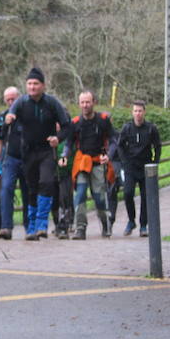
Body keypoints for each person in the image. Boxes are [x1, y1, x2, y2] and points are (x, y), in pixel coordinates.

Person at [4, 67, 71, 240]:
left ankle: (42, 224)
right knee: (32, 188)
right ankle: (32, 228)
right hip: (28, 151)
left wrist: (58, 138)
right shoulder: (21, 102)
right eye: (29, 84)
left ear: (43, 85)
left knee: (47, 182)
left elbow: (67, 126)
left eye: (36, 83)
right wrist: (8, 119)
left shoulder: (52, 103)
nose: (32, 87)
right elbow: (9, 117)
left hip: (47, 150)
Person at [61, 91, 115, 239]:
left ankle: (105, 223)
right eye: (82, 102)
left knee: (99, 198)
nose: (85, 105)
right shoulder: (76, 122)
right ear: (79, 104)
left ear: (94, 102)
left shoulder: (103, 120)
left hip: (98, 162)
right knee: (79, 196)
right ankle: (80, 229)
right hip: (82, 164)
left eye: (88, 102)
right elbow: (69, 143)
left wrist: (108, 155)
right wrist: (64, 155)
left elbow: (113, 139)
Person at [116, 100, 161, 237]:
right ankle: (131, 220)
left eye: (140, 111)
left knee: (145, 197)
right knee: (128, 193)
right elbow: (120, 145)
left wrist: (154, 162)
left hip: (146, 167)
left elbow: (157, 146)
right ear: (132, 112)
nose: (138, 114)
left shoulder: (151, 128)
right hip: (130, 166)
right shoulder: (127, 128)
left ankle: (143, 225)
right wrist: (124, 162)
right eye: (135, 111)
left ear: (144, 112)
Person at [0, 86, 29, 239]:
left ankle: (30, 227)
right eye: (7, 99)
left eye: (13, 99)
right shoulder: (3, 117)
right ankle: (6, 227)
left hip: (28, 158)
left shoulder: (28, 114)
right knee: (6, 189)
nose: (10, 102)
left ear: (19, 98)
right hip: (10, 158)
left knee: (27, 191)